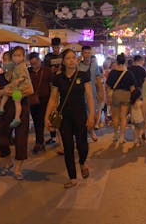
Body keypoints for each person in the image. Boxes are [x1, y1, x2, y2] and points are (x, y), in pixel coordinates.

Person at [45, 49, 95, 188]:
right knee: (67, 147)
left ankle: (83, 162)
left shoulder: (84, 75)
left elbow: (89, 96)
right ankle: (72, 177)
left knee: (82, 145)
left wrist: (91, 115)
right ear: (63, 61)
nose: (72, 60)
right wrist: (46, 117)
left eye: (73, 57)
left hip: (80, 115)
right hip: (64, 117)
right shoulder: (58, 78)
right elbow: (53, 99)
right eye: (68, 58)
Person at [0, 51, 32, 180]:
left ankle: (18, 169)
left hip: (21, 108)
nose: (7, 62)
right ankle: (8, 162)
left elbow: (30, 90)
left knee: (20, 140)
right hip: (6, 110)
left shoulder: (21, 73)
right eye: (5, 59)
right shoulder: (0, 77)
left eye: (10, 59)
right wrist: (4, 91)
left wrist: (16, 93)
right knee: (0, 138)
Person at [0, 46, 33, 128]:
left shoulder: (22, 67)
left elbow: (27, 84)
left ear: (23, 57)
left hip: (19, 88)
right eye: (14, 56)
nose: (16, 58)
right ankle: (1, 108)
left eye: (19, 55)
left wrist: (18, 81)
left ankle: (17, 118)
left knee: (16, 101)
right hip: (16, 88)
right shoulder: (15, 68)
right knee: (7, 94)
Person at [106, 54, 136, 144]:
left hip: (115, 95)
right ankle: (122, 137)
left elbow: (107, 86)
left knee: (115, 117)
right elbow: (132, 88)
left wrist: (108, 96)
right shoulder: (129, 73)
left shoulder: (112, 73)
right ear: (125, 61)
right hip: (126, 96)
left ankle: (115, 134)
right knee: (123, 117)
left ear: (117, 61)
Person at [28, 52, 53, 154]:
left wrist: (53, 100)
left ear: (39, 60)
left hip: (45, 99)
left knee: (41, 120)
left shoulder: (47, 71)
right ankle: (40, 142)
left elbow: (51, 85)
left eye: (35, 62)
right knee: (36, 120)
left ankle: (39, 142)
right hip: (32, 100)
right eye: (32, 64)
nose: (34, 65)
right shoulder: (28, 71)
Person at [78, 46, 104, 141]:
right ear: (82, 54)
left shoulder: (94, 65)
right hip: (80, 94)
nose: (87, 55)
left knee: (92, 115)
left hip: (92, 94)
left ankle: (91, 131)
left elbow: (98, 80)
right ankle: (82, 134)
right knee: (81, 115)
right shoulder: (78, 66)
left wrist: (101, 92)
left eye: (89, 53)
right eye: (85, 53)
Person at [43, 37, 63, 144]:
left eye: (57, 47)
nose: (56, 49)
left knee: (60, 109)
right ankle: (53, 135)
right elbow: (45, 70)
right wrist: (52, 70)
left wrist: (60, 69)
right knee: (52, 110)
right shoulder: (48, 57)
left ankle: (61, 133)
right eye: (54, 47)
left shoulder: (63, 56)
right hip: (51, 86)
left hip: (61, 86)